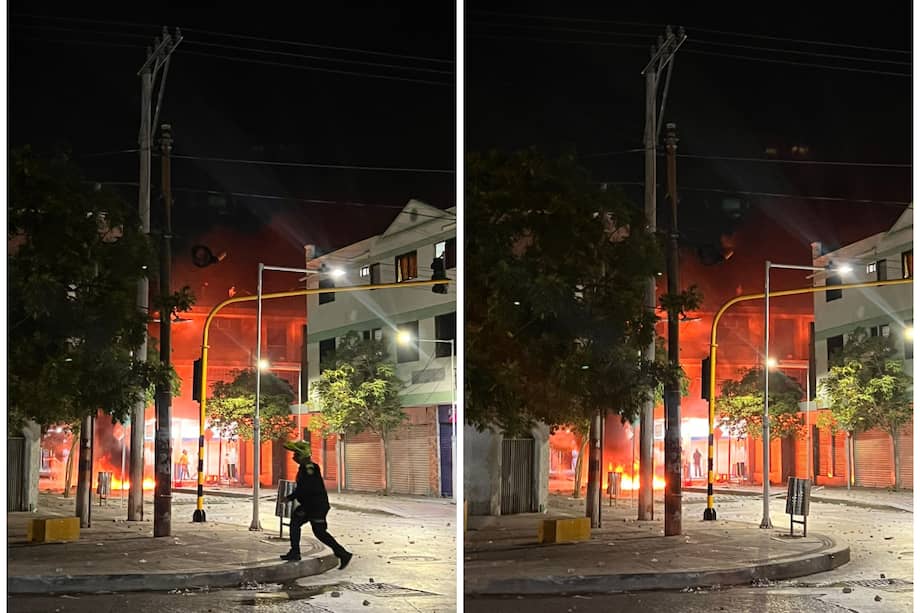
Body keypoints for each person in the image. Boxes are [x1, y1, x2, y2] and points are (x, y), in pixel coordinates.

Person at [280, 440, 352, 569]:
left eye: (296, 454)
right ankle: (296, 552)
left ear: (302, 455)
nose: (294, 457)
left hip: (315, 506)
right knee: (305, 527)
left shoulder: (310, 468)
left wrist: (291, 498)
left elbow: (307, 488)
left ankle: (342, 553)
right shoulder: (305, 467)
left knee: (315, 530)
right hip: (312, 505)